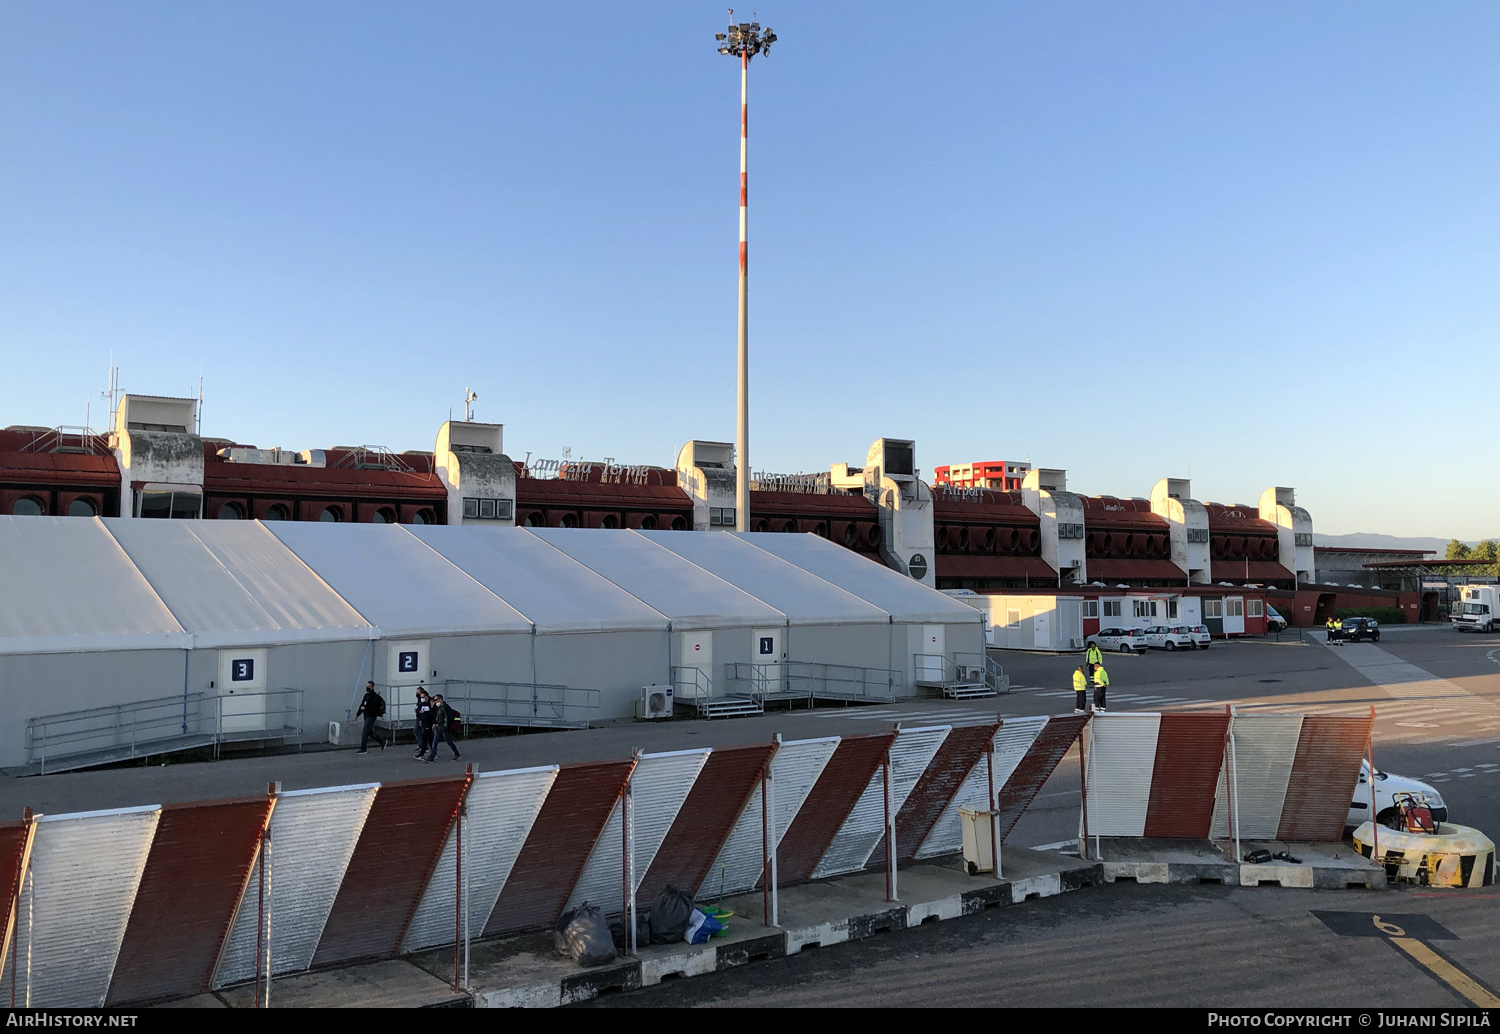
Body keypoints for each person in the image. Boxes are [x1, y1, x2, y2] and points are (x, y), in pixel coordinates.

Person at [424, 693, 462, 763]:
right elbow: (434, 716)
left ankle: (457, 754)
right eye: (434, 700)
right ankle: (432, 756)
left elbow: (449, 717)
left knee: (449, 741)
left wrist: (446, 726)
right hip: (438, 726)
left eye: (436, 700)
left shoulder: (445, 707)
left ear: (440, 699)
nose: (435, 701)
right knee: (435, 741)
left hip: (443, 727)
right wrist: (432, 708)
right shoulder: (437, 707)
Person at [354, 680, 386, 754]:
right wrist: (357, 714)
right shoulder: (366, 695)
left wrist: (365, 708)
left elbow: (373, 707)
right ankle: (382, 741)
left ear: (372, 687)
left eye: (369, 686)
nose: (367, 688)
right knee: (369, 732)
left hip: (371, 716)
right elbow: (362, 705)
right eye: (367, 686)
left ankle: (363, 748)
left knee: (365, 732)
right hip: (366, 715)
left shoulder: (374, 697)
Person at [412, 688, 433, 758]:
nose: (421, 698)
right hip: (423, 721)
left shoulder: (430, 702)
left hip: (428, 722)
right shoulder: (422, 702)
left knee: (425, 737)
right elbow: (421, 710)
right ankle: (432, 752)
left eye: (422, 697)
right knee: (429, 738)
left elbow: (431, 713)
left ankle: (422, 752)